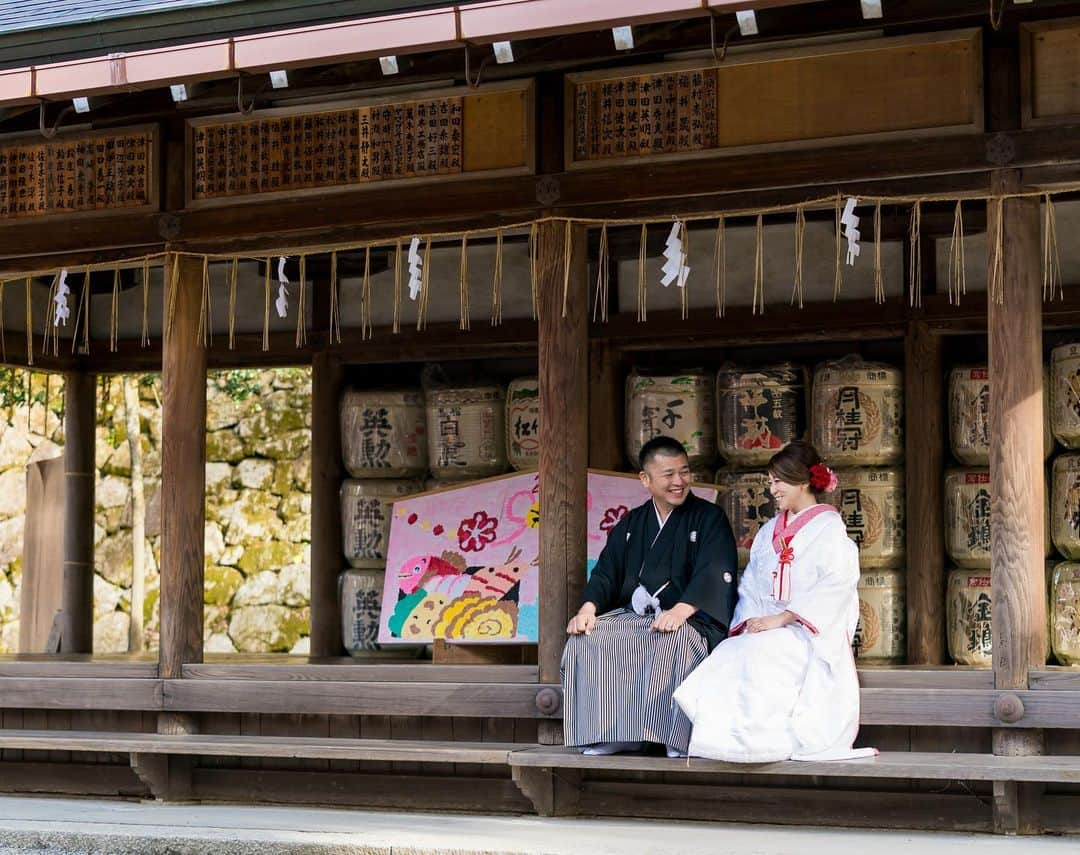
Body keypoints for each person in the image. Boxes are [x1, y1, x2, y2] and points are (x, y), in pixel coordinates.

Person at [673, 440, 876, 763]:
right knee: (733, 650)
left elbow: (835, 585)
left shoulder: (829, 529)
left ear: (802, 481)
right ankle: (730, 744)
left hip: (806, 632)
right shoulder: (769, 532)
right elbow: (752, 584)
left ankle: (765, 743)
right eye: (771, 482)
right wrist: (753, 622)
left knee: (761, 653)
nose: (773, 490)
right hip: (769, 624)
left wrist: (783, 619)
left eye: (778, 481)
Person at [561, 436, 738, 757]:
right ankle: (615, 731)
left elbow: (715, 571)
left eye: (684, 472)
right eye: (668, 474)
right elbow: (606, 572)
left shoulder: (709, 518)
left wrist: (681, 610)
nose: (679, 482)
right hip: (640, 617)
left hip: (692, 618)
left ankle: (673, 737)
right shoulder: (633, 523)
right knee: (588, 638)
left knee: (674, 639)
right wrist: (587, 609)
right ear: (646, 479)